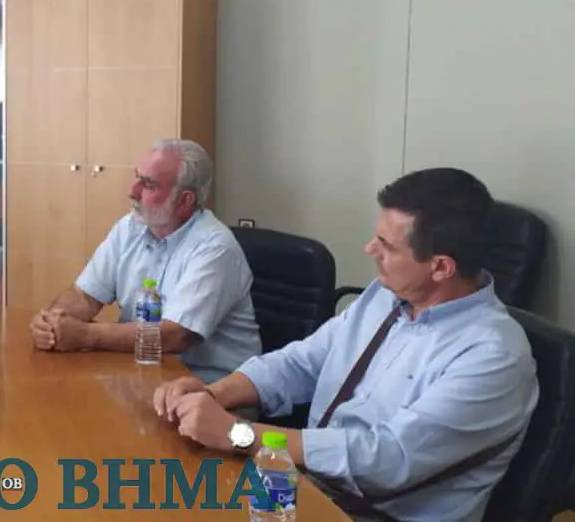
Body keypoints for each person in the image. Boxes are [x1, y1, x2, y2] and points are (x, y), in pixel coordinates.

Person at [154, 167, 539, 522]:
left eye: (387, 246)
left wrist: (239, 435)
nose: (370, 249)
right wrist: (213, 394)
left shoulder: (493, 356)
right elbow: (303, 362)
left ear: (441, 267)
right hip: (309, 488)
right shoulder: (386, 296)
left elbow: (385, 460)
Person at [30, 139, 261, 383]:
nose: (132, 192)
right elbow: (84, 296)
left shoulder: (216, 247)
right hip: (143, 373)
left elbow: (175, 335)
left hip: (209, 387)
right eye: (137, 177)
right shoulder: (130, 227)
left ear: (185, 201)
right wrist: (53, 322)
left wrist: (85, 335)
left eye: (149, 185)